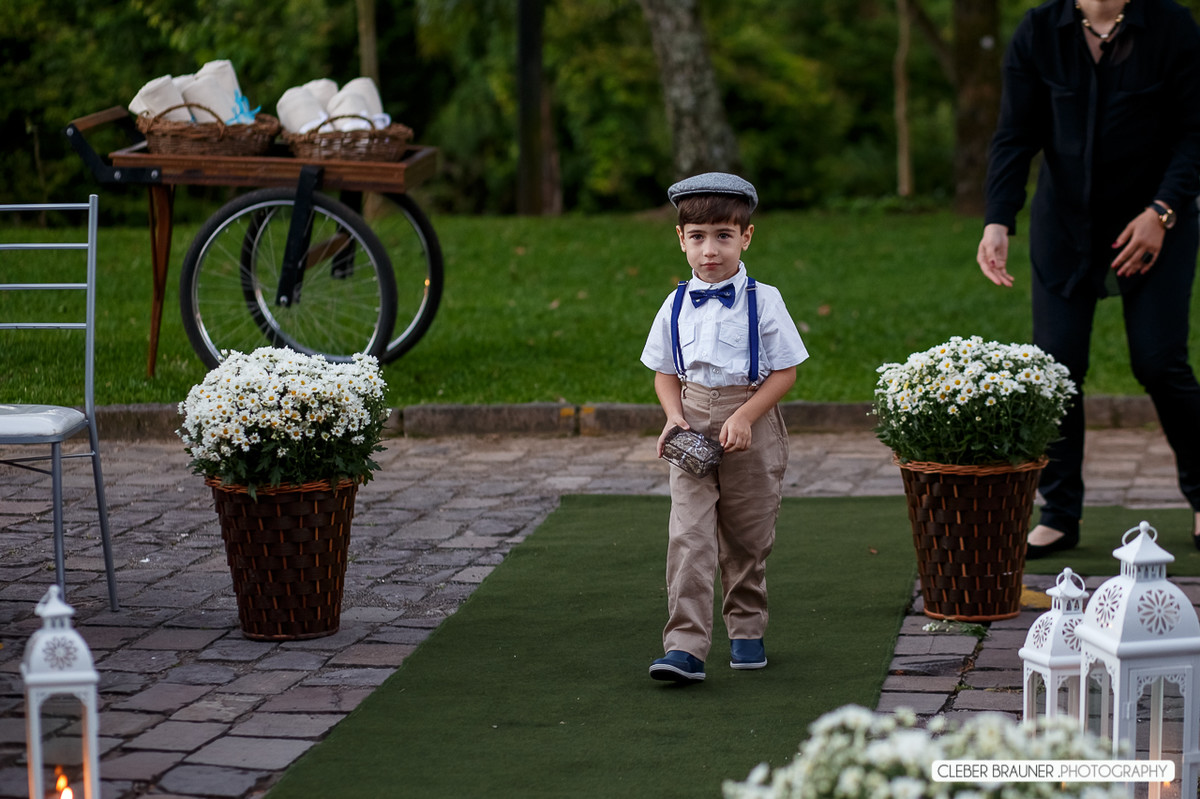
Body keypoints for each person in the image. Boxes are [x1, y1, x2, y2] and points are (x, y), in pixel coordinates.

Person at [977, 0, 1200, 557]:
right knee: (1057, 367)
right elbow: (1015, 134)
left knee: (1159, 361)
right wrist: (999, 218)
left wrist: (1163, 212)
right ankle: (1059, 512)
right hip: (1065, 225)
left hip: (1157, 222)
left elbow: (1196, 134)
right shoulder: (1038, 31)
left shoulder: (1172, 27)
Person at [639, 173, 808, 683]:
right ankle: (684, 646)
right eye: (698, 237)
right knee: (689, 536)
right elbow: (665, 372)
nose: (710, 250)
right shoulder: (673, 304)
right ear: (681, 240)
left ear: (746, 237)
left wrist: (745, 415)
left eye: (723, 236)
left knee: (747, 536)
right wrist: (674, 416)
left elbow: (786, 371)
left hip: (752, 424)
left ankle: (747, 628)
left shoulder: (765, 299)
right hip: (691, 422)